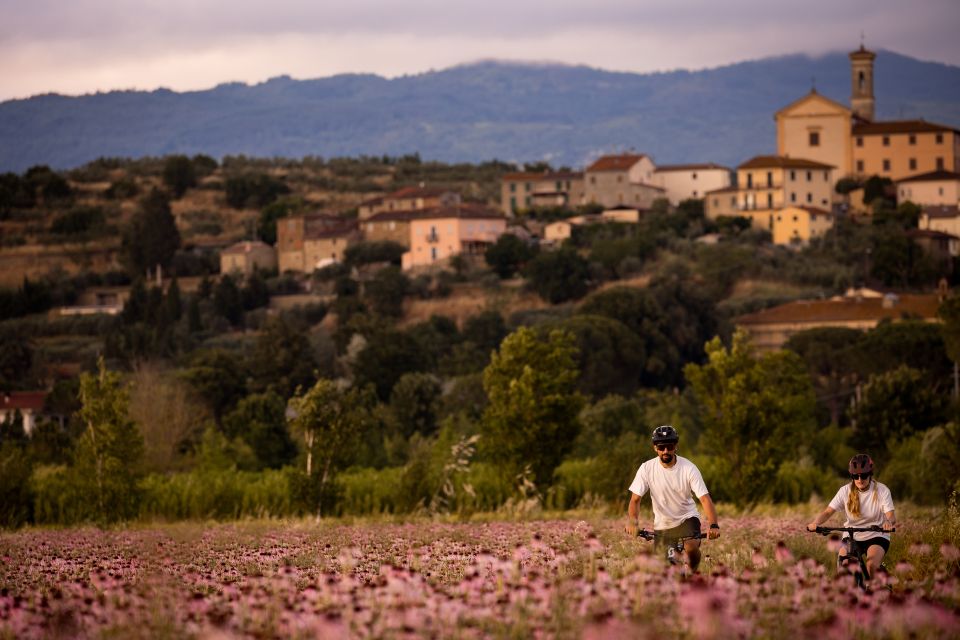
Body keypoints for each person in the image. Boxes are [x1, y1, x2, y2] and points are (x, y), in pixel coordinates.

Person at [625, 425, 720, 572]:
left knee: (691, 547)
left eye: (669, 446)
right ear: (655, 448)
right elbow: (635, 500)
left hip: (687, 518)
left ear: (675, 446)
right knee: (669, 568)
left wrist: (713, 525)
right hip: (663, 524)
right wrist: (633, 522)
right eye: (661, 447)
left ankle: (693, 572)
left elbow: (705, 499)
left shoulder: (689, 468)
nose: (665, 451)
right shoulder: (646, 468)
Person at [806, 454, 896, 582]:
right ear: (852, 476)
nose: (860, 479)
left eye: (863, 475)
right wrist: (815, 523)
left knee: (871, 565)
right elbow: (828, 512)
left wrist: (888, 522)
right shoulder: (844, 491)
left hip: (877, 534)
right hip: (851, 535)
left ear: (870, 474)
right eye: (855, 476)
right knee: (844, 566)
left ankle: (877, 592)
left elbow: (891, 515)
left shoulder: (882, 490)